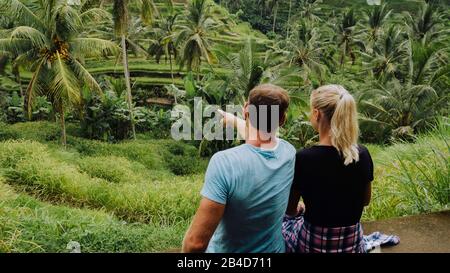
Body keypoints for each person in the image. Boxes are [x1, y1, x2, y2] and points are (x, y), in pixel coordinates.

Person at [182, 84, 296, 253]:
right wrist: (234, 119)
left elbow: (195, 244)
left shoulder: (224, 163)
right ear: (282, 119)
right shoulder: (289, 153)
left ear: (246, 110)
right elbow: (262, 138)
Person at [283, 84, 374, 253]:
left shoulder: (303, 158)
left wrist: (302, 207)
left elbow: (290, 209)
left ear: (316, 114)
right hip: (351, 244)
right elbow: (365, 200)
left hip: (314, 245)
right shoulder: (361, 153)